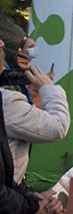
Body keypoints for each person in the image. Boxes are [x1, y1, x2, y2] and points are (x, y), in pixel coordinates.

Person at [0, 18, 69, 182]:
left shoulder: (12, 81)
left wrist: (36, 93)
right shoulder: (7, 99)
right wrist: (48, 89)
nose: (30, 58)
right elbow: (56, 127)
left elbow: (29, 117)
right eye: (26, 51)